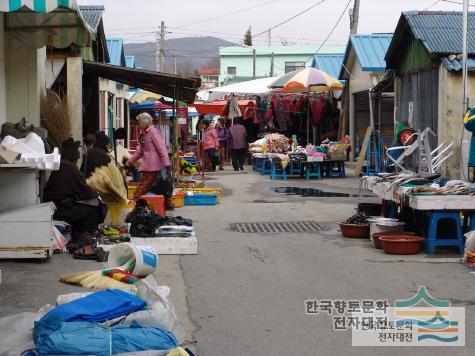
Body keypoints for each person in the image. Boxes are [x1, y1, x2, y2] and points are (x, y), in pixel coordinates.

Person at [44, 138, 107, 252]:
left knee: (83, 207)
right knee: (98, 208)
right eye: (77, 159)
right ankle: (82, 234)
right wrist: (97, 193)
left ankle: (78, 232)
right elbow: (86, 193)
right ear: (74, 158)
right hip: (61, 212)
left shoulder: (60, 166)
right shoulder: (71, 168)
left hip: (54, 208)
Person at [127, 112, 172, 207]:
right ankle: (166, 203)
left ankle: (134, 205)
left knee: (144, 186)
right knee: (157, 185)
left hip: (154, 165)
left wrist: (166, 163)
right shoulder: (144, 133)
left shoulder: (153, 132)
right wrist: (130, 161)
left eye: (139, 123)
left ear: (145, 123)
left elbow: (161, 148)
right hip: (148, 165)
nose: (138, 125)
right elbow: (140, 151)